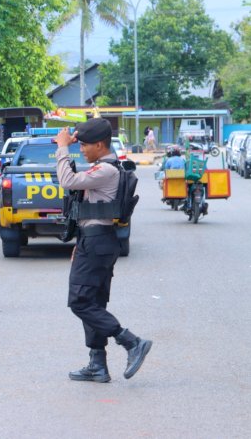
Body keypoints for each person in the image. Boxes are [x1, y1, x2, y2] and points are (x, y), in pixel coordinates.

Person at [55, 118, 152, 383]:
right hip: (94, 240)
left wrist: (63, 148)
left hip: (98, 242)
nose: (82, 149)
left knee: (80, 302)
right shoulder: (103, 168)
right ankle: (97, 363)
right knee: (94, 302)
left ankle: (131, 341)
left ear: (100, 144)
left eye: (85, 145)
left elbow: (67, 180)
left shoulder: (107, 170)